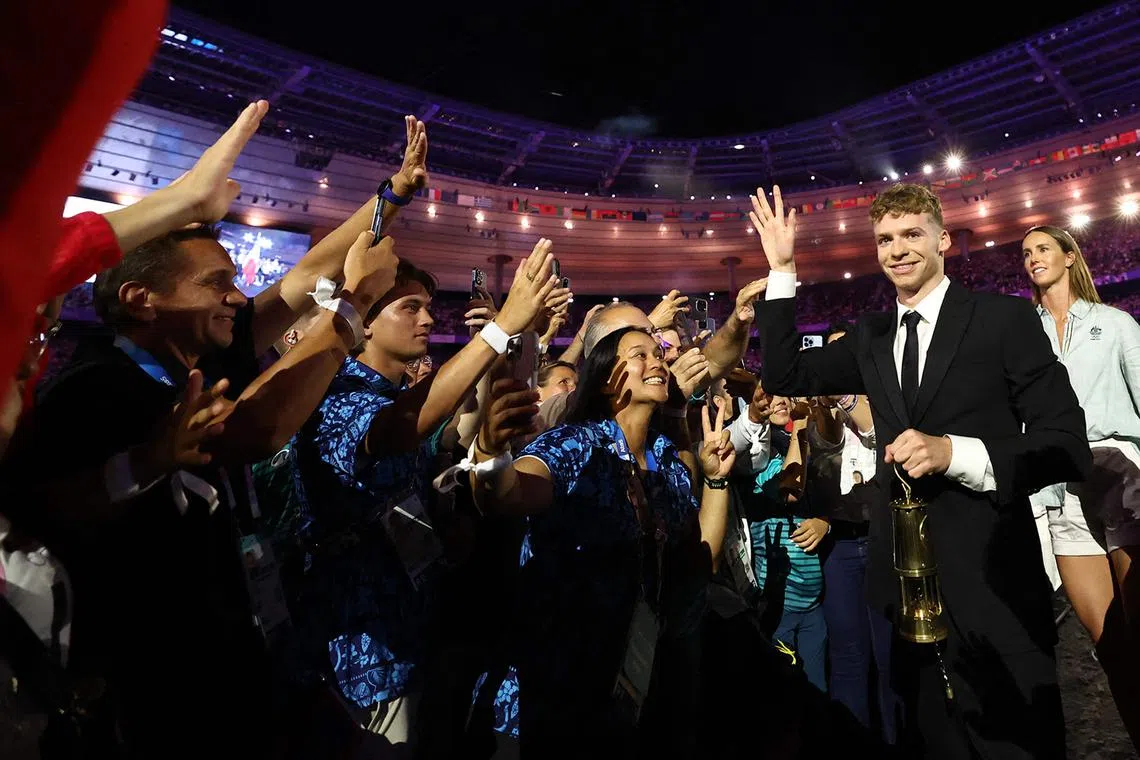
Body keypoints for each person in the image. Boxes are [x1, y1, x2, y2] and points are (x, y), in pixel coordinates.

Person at [752, 183, 1090, 760]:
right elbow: (782, 375)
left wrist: (956, 454)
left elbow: (1067, 446)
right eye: (885, 239)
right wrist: (782, 270)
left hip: (992, 580)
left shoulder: (1001, 319)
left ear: (944, 240)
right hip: (900, 592)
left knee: (1017, 744)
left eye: (912, 234)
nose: (897, 249)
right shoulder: (869, 336)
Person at [468, 326, 735, 755]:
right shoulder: (575, 444)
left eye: (658, 354)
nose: (658, 362)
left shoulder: (665, 458)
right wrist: (489, 452)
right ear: (607, 377)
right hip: (556, 680)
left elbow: (704, 560)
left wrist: (717, 483)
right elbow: (509, 495)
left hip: (630, 678)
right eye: (639, 354)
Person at [1022, 224, 1140, 746]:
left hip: (1119, 474)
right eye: (1025, 253)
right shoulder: (1023, 336)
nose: (1032, 259)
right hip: (1059, 488)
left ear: (1070, 257)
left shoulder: (1115, 323)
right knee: (1109, 644)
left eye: (1043, 248)